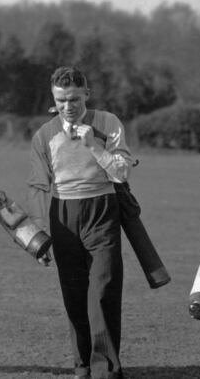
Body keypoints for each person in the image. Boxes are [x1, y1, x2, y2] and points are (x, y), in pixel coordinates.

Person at [26, 67, 132, 379]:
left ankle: (108, 368)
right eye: (61, 100)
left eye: (74, 98)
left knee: (103, 289)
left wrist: (95, 147)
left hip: (102, 209)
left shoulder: (107, 123)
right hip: (63, 216)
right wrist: (37, 236)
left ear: (87, 94)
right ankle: (82, 364)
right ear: (53, 98)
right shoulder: (43, 135)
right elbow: (37, 186)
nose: (68, 106)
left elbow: (122, 174)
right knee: (74, 293)